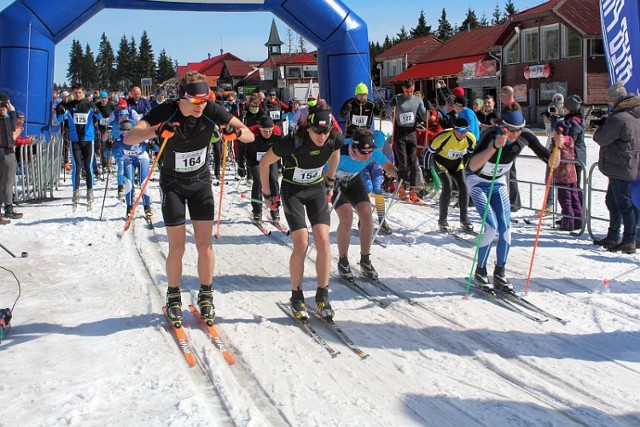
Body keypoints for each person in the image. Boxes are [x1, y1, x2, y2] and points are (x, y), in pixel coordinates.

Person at [124, 71, 254, 326]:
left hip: (200, 184)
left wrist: (235, 132)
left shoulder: (211, 109)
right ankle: (173, 297)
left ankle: (206, 294)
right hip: (173, 185)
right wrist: (157, 130)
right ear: (182, 97)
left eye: (204, 100)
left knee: (205, 245)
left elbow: (249, 134)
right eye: (195, 101)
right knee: (178, 246)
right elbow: (130, 137)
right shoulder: (166, 111)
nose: (200, 106)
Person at [258, 105, 341, 322]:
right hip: (292, 190)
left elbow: (336, 152)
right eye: (317, 132)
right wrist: (268, 195)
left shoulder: (333, 138)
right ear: (308, 128)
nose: (321, 137)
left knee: (323, 241)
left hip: (316, 189)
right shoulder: (293, 141)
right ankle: (297, 296)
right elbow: (265, 162)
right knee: (302, 243)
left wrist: (330, 180)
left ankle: (323, 295)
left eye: (325, 132)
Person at [467, 104, 549, 291]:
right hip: (477, 182)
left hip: (498, 182)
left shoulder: (525, 135)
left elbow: (549, 159)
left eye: (519, 130)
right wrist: (495, 147)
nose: (515, 134)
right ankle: (480, 271)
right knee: (491, 226)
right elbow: (472, 166)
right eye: (511, 130)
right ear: (502, 126)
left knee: (505, 229)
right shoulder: (490, 135)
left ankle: (500, 272)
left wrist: (558, 149)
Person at [334, 129, 397, 281]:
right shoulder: (339, 152)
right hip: (335, 181)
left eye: (370, 152)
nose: (368, 156)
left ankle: (365, 260)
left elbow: (388, 166)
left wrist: (401, 173)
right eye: (363, 152)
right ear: (354, 148)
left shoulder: (373, 151)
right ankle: (343, 261)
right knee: (346, 216)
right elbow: (323, 173)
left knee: (367, 214)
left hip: (353, 180)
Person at [593, 82, 640, 254]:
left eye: (610, 101)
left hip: (619, 166)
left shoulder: (619, 118)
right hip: (628, 163)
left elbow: (600, 138)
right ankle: (614, 236)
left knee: (623, 204)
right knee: (614, 202)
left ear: (615, 100)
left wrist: (602, 127)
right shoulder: (635, 115)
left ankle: (628, 240)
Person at [427, 117, 476, 232]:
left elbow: (470, 153)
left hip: (457, 163)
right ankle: (442, 220)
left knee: (464, 186)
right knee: (448, 185)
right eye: (460, 131)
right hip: (441, 162)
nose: (462, 134)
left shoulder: (470, 138)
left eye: (465, 131)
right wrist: (427, 171)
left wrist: (467, 166)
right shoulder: (444, 137)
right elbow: (428, 153)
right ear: (454, 129)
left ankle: (464, 220)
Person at [58, 83, 102, 210]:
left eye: (80, 92)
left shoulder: (88, 104)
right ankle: (75, 192)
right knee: (76, 166)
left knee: (88, 166)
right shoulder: (68, 106)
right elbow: (60, 119)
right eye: (76, 92)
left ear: (83, 93)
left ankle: (90, 191)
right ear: (72, 93)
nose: (78, 94)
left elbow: (99, 117)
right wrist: (60, 112)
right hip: (75, 140)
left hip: (88, 140)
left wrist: (96, 111)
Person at [237, 115, 283, 224]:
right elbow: (241, 148)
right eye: (265, 131)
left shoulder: (277, 132)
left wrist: (281, 164)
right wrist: (240, 165)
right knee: (259, 180)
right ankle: (257, 211)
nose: (268, 134)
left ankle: (274, 209)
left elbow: (283, 148)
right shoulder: (251, 133)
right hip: (254, 159)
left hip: (271, 158)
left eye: (270, 131)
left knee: (273, 179)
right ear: (259, 128)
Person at [391, 79, 427, 201]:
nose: (409, 94)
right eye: (407, 91)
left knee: (412, 163)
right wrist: (389, 105)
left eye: (411, 91)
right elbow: (387, 113)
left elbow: (424, 115)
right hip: (399, 134)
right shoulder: (397, 99)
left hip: (412, 133)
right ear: (402, 89)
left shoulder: (417, 100)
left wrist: (429, 110)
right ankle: (401, 189)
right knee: (403, 163)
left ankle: (413, 191)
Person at [113, 120, 153, 219]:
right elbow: (110, 152)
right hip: (128, 160)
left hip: (142, 159)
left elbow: (154, 145)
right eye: (123, 131)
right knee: (129, 183)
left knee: (143, 183)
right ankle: (129, 208)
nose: (124, 133)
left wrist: (153, 144)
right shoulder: (119, 140)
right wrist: (109, 147)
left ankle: (147, 207)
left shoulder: (139, 136)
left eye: (127, 131)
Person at [549, 119, 583, 231]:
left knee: (565, 200)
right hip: (572, 174)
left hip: (562, 176)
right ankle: (579, 221)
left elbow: (555, 158)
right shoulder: (570, 140)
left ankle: (568, 223)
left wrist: (555, 146)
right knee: (575, 198)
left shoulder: (558, 142)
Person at [0, 97, 22, 220]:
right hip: (6, 153)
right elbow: (11, 128)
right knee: (7, 183)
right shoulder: (5, 119)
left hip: (5, 153)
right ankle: (8, 208)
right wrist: (12, 112)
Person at [563, 94, 587, 203]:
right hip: (575, 156)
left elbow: (570, 139)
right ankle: (573, 215)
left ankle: (580, 214)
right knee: (571, 187)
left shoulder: (574, 121)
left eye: (565, 107)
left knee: (574, 187)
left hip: (575, 157)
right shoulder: (573, 120)